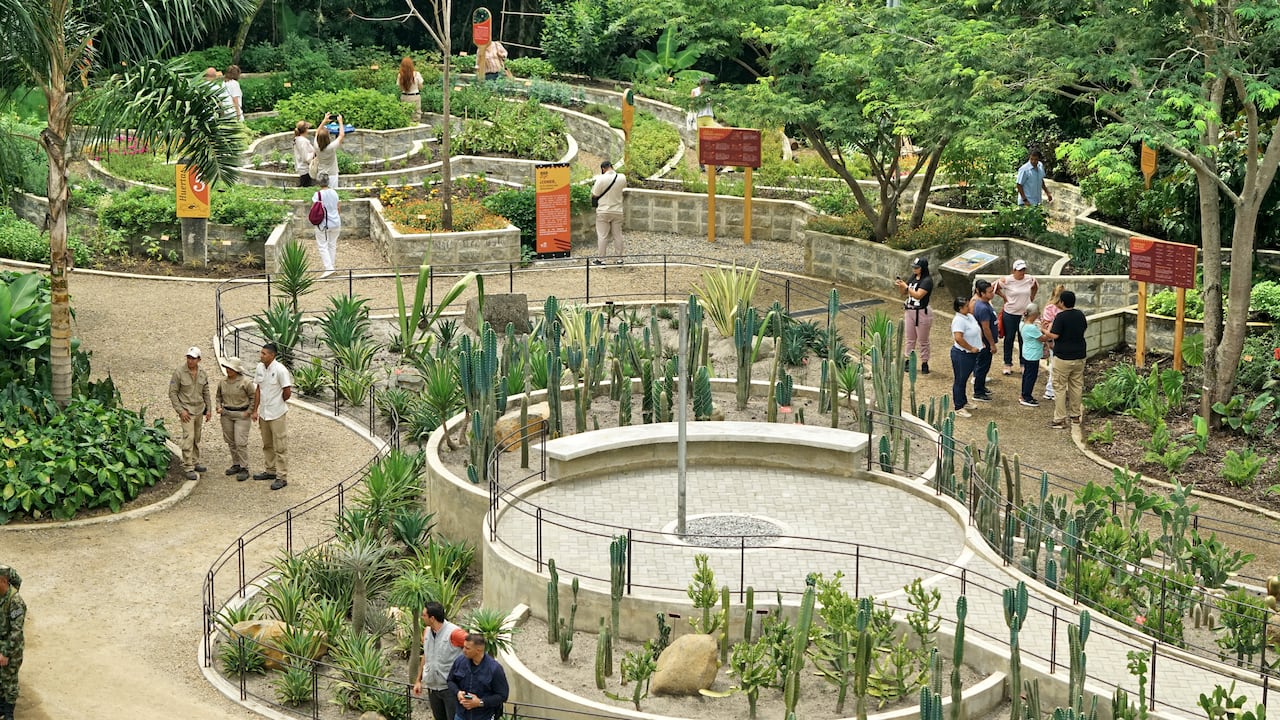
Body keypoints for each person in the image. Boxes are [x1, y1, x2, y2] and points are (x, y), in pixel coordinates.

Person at [252, 342, 293, 490]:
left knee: (280, 445)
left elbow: (287, 391)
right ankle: (270, 470)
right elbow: (258, 389)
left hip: (277, 413)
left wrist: (278, 402)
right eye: (261, 353)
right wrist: (255, 410)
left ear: (272, 355)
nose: (261, 355)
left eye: (264, 353)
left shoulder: (281, 370)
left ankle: (282, 476)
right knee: (267, 443)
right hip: (264, 413)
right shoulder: (259, 368)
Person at [412, 602, 464, 720]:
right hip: (433, 689)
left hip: (450, 689)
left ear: (432, 618)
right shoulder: (426, 632)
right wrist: (418, 680)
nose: (422, 617)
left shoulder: (455, 633)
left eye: (424, 615)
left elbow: (474, 649)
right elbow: (427, 655)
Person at [1045, 289, 1087, 429]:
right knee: (1076, 385)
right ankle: (1075, 416)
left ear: (1062, 302)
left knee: (1060, 387)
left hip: (1063, 357)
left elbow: (1054, 335)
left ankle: (1060, 418)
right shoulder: (1080, 315)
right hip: (1080, 355)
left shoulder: (1061, 317)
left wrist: (1043, 330)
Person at [169, 346, 211, 481]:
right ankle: (188, 466)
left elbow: (206, 391)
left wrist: (208, 409)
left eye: (193, 358)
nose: (190, 360)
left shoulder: (203, 373)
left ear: (199, 359)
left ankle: (195, 461)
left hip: (199, 410)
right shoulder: (179, 372)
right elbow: (172, 392)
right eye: (188, 357)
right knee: (188, 437)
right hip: (187, 411)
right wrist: (180, 411)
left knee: (196, 437)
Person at [447, 633, 509, 720]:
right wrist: (458, 692)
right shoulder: (460, 661)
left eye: (467, 648)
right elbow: (450, 681)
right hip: (461, 715)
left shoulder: (494, 669)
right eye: (463, 647)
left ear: (478, 650)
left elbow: (502, 696)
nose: (463, 650)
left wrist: (479, 702)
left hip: (484, 716)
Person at [994, 259, 1039, 374]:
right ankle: (1007, 363)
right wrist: (1004, 297)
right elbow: (994, 287)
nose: (1022, 272)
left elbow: (1035, 287)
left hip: (1024, 314)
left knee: (1023, 339)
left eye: (1023, 270)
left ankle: (1023, 363)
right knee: (1009, 338)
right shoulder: (1007, 280)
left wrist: (1031, 298)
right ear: (1014, 270)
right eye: (1019, 270)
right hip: (1010, 313)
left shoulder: (1030, 279)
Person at [217, 357, 255, 482]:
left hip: (241, 414)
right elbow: (218, 396)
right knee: (231, 441)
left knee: (240, 442)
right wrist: (219, 407)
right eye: (227, 368)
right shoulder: (222, 382)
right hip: (227, 414)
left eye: (231, 368)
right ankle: (236, 463)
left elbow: (253, 397)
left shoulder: (246, 382)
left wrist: (249, 412)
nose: (228, 370)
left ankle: (244, 467)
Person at [895, 257, 934, 374]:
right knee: (909, 338)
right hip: (910, 310)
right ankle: (908, 361)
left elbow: (918, 295)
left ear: (922, 268)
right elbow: (904, 293)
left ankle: (924, 362)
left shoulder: (927, 281)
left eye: (917, 268)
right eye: (913, 267)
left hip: (921, 312)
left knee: (923, 339)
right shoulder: (912, 278)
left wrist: (906, 287)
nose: (914, 269)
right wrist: (901, 286)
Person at [950, 296, 982, 418]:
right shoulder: (959, 320)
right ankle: (958, 406)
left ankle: (963, 401)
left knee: (964, 379)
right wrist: (970, 348)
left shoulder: (970, 316)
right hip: (962, 354)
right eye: (966, 306)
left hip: (972, 354)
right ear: (960, 308)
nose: (970, 307)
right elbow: (958, 338)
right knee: (960, 379)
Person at [591, 160, 627, 266]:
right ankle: (619, 259)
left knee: (603, 235)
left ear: (603, 168)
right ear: (612, 166)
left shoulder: (601, 178)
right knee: (618, 235)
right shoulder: (622, 177)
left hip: (603, 210)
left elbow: (595, 194)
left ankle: (601, 260)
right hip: (618, 210)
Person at [0, 567, 24, 720]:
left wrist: (5, 653)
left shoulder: (15, 602)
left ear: (3, 581)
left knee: (9, 680)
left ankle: (9, 713)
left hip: (12, 647)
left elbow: (16, 632)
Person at [970, 280, 998, 402]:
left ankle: (981, 386)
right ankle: (978, 391)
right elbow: (985, 328)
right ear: (981, 293)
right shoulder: (982, 308)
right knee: (982, 366)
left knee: (985, 366)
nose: (992, 294)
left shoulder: (985, 304)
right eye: (989, 292)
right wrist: (992, 344)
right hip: (985, 343)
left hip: (986, 342)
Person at [1038, 284, 1066, 400]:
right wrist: (1049, 341)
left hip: (1059, 340)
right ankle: (1051, 390)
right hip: (1055, 340)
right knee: (1055, 366)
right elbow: (1047, 326)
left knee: (1058, 366)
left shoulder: (1049, 307)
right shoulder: (1051, 308)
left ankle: (1053, 389)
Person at [1018, 303, 1048, 407]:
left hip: (1027, 352)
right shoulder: (1031, 328)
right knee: (1031, 376)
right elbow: (1043, 338)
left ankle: (1024, 394)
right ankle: (1027, 396)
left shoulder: (1022, 324)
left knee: (1027, 375)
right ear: (1034, 314)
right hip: (1033, 354)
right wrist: (1045, 330)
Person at [312, 172, 341, 278]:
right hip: (336, 222)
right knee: (332, 245)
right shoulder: (334, 193)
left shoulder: (318, 195)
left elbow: (315, 209)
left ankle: (329, 268)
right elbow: (338, 207)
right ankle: (331, 266)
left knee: (322, 245)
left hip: (324, 224)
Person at [314, 114, 346, 189]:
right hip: (332, 173)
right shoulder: (331, 147)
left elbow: (316, 132)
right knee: (332, 193)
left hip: (321, 173)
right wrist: (340, 122)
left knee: (322, 195)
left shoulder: (316, 146)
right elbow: (341, 135)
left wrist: (324, 121)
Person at [398, 57, 425, 122]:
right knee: (416, 115)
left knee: (405, 114)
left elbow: (400, 88)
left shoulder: (400, 75)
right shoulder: (417, 74)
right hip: (415, 96)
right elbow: (421, 86)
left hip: (404, 96)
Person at [293, 121, 316, 187]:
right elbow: (306, 157)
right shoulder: (303, 141)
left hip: (302, 168)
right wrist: (314, 153)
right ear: (305, 129)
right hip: (305, 169)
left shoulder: (297, 139)